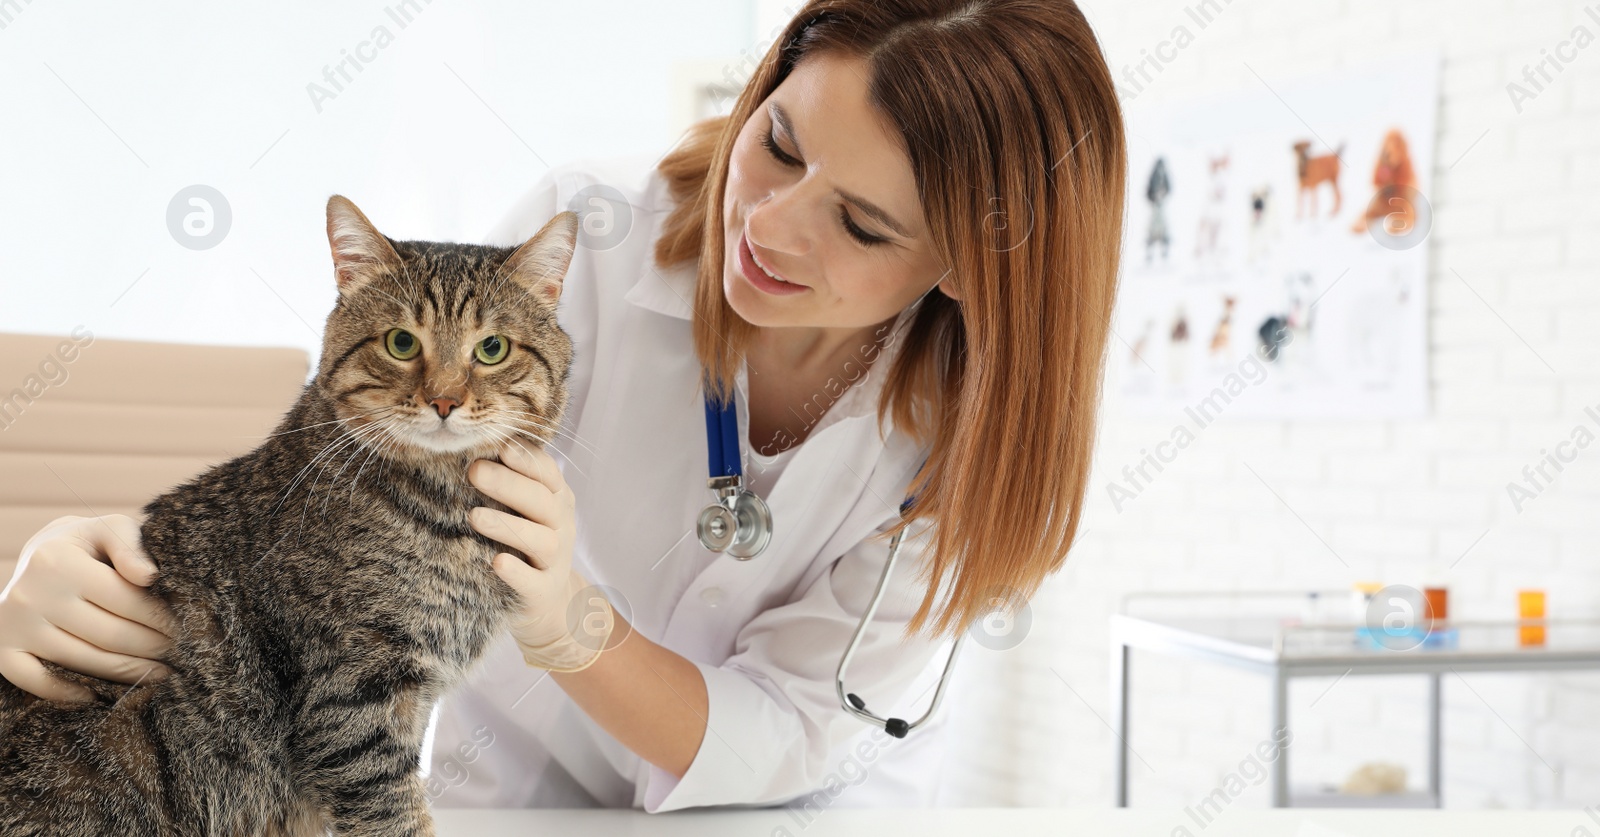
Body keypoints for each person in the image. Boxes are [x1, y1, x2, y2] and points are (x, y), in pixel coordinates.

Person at [0, 0, 1126, 812]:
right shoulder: (581, 231)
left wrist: (572, 630)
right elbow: (332, 510)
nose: (771, 227)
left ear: (975, 264)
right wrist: (89, 555)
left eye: (863, 226)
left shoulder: (964, 444)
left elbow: (786, 733)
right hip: (512, 802)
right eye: (777, 144)